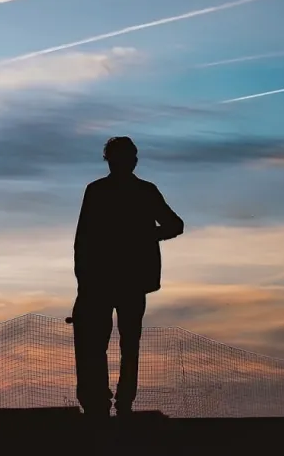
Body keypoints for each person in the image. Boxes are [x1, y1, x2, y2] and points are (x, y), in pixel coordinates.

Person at [72, 136, 183, 417]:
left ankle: (114, 402)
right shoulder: (122, 191)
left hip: (114, 281)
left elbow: (174, 225)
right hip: (114, 281)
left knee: (113, 343)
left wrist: (145, 236)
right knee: (119, 344)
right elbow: (83, 239)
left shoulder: (108, 191)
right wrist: (147, 236)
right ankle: (112, 401)